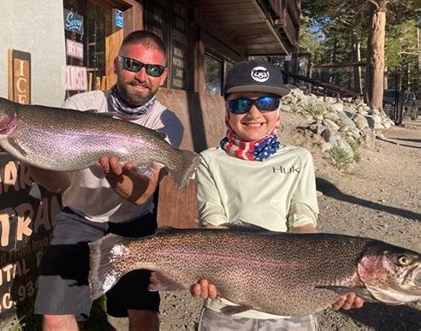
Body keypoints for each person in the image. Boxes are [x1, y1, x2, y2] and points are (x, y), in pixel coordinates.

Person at [190, 60, 364, 330]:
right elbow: (213, 224)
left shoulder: (299, 158)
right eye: (240, 104)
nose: (254, 113)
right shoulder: (209, 161)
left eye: (267, 102)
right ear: (227, 109)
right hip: (226, 299)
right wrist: (209, 273)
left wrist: (337, 278)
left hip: (292, 301)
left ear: (279, 108)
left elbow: (303, 223)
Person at [31, 30, 184, 331]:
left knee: (142, 312)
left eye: (153, 69)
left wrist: (117, 180)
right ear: (116, 64)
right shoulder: (78, 107)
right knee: (54, 311)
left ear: (163, 75)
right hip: (78, 216)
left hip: (135, 222)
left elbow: (142, 195)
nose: (142, 75)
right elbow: (54, 183)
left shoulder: (167, 124)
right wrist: (29, 153)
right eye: (133, 64)